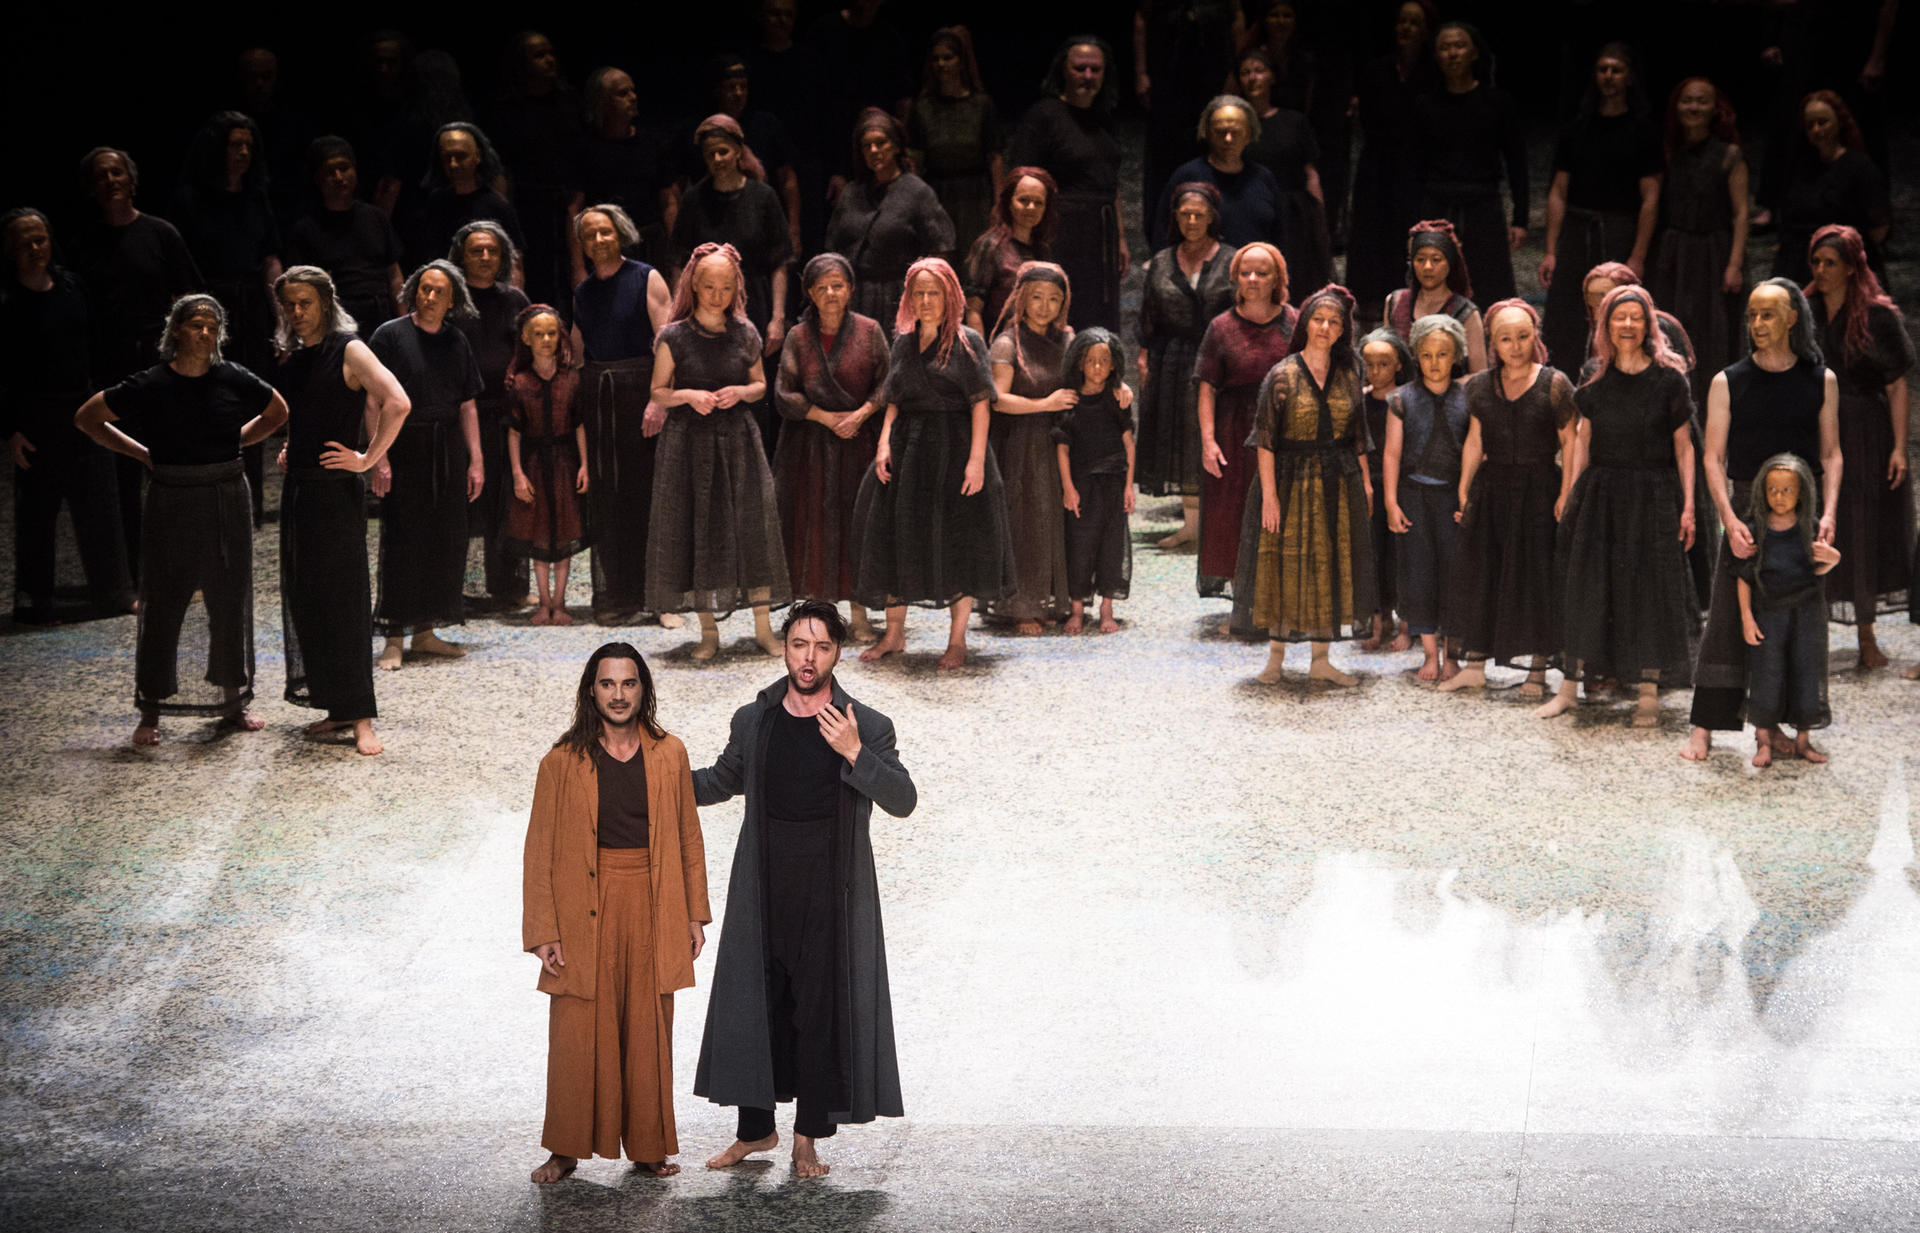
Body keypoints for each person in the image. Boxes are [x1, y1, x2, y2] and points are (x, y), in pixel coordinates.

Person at [695, 600, 916, 1180]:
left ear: (837, 652)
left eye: (821, 646)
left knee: (819, 1012)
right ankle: (756, 1130)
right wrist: (652, 771)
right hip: (766, 884)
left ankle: (806, 1141)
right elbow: (722, 781)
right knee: (759, 1001)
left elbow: (903, 799)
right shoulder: (757, 718)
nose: (808, 657)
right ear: (785, 648)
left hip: (830, 890)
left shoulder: (865, 723)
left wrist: (854, 752)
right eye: (799, 645)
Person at [524, 643, 711, 1184]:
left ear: (643, 690)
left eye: (629, 683)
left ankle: (649, 1146)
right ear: (591, 691)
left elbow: (687, 837)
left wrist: (694, 914)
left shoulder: (669, 752)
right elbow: (538, 850)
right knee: (577, 1027)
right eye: (608, 684)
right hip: (584, 905)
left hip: (653, 901)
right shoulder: (561, 761)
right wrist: (543, 931)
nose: (619, 694)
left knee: (650, 1023)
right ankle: (565, 1149)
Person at [74, 295, 286, 746]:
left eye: (212, 327)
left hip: (226, 494)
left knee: (227, 598)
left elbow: (278, 413)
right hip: (171, 497)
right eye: (195, 326)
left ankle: (232, 701)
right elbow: (88, 418)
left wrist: (237, 441)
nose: (205, 334)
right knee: (165, 602)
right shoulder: (151, 383)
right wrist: (142, 454)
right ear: (176, 331)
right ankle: (151, 709)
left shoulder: (231, 377)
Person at [1684, 280, 1841, 760]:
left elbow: (1831, 454)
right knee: (1730, 617)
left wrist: (1828, 515)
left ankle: (1775, 728)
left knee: (1794, 620)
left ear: (1793, 318)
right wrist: (1729, 520)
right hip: (1748, 507)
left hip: (1802, 510)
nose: (1757, 324)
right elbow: (1713, 458)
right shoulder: (1728, 380)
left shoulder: (1821, 379)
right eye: (1751, 315)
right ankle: (1703, 727)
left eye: (1767, 314)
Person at [1545, 285, 1698, 727]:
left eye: (1635, 317)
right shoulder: (1594, 374)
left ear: (1648, 324)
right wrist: (1570, 492)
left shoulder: (1669, 378)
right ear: (1606, 325)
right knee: (1587, 588)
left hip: (1651, 493)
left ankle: (1648, 694)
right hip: (1601, 493)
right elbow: (1583, 438)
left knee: (1648, 591)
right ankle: (1569, 690)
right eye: (1618, 317)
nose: (1627, 325)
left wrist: (1687, 506)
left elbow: (1684, 447)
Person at [273, 266, 410, 757]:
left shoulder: (349, 348)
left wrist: (368, 458)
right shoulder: (293, 357)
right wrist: (291, 446)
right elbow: (306, 411)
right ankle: (336, 708)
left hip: (335, 493)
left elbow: (397, 401)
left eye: (305, 302)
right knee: (308, 599)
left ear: (325, 303)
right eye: (289, 304)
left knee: (345, 601)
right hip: (301, 491)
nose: (296, 312)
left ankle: (363, 718)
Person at [851, 257, 1012, 669]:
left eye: (933, 293)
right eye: (918, 293)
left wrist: (976, 462)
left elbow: (981, 405)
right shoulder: (903, 342)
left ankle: (957, 640)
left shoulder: (968, 341)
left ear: (949, 296)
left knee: (959, 540)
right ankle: (894, 634)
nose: (925, 301)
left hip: (955, 448)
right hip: (908, 450)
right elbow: (894, 401)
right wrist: (884, 444)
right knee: (894, 537)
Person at [647, 242, 792, 660]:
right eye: (709, 286)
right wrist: (689, 394)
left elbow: (760, 384)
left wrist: (741, 392)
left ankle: (764, 630)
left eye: (725, 287)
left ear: (736, 288)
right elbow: (658, 390)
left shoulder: (745, 331)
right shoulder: (673, 335)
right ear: (694, 285)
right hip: (689, 443)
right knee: (699, 531)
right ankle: (709, 632)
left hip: (738, 440)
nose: (716, 295)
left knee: (754, 529)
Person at [1229, 284, 1376, 685]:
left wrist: (1365, 483)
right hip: (1291, 482)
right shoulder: (1282, 375)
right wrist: (1270, 499)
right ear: (1305, 324)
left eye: (1334, 322)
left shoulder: (1351, 371)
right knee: (1282, 562)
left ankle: (1321, 660)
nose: (1326, 327)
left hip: (1337, 480)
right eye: (1318, 319)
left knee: (1329, 562)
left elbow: (1358, 434)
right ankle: (1275, 659)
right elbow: (1266, 442)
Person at [71, 147, 204, 582]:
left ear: (132, 180)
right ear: (92, 188)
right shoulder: (84, 243)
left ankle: (184, 568)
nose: (111, 180)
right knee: (121, 475)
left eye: (118, 173)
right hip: (109, 367)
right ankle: (131, 575)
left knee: (172, 466)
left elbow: (189, 301)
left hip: (159, 365)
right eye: (102, 175)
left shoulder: (160, 234)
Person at [1442, 300, 1579, 697]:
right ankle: (1474, 665)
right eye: (1506, 339)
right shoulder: (1482, 385)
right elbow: (1474, 439)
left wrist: (1567, 492)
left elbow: (1571, 440)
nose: (1516, 346)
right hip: (1493, 487)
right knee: (1483, 573)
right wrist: (1464, 487)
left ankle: (1536, 672)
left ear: (1535, 336)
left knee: (1535, 578)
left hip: (1539, 490)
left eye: (1523, 336)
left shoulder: (1554, 383)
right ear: (1493, 344)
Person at [2, 208, 133, 624]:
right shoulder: (5, 300)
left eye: (39, 239)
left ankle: (114, 594)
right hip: (35, 416)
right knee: (38, 512)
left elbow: (96, 344)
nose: (34, 248)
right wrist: (10, 431)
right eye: (24, 242)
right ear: (9, 249)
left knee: (100, 505)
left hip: (80, 408)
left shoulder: (73, 286)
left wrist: (103, 401)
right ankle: (36, 602)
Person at [368, 260, 486, 671]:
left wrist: (477, 460)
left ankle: (425, 632)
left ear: (452, 299)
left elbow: (468, 403)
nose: (431, 297)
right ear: (414, 292)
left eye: (440, 291)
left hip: (448, 447)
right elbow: (372, 400)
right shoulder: (390, 336)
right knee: (403, 540)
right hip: (404, 446)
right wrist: (377, 456)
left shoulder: (456, 340)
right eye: (425, 289)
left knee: (445, 538)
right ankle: (395, 636)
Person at [1805, 224, 1912, 665]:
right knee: (1814, 524)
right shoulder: (1804, 310)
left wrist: (1900, 446)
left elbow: (1897, 385)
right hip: (1813, 427)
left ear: (1851, 267)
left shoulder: (1876, 315)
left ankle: (1866, 634)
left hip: (1864, 428)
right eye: (1816, 262)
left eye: (1831, 263)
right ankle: (1810, 638)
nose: (1822, 270)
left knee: (1861, 525)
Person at [772, 253, 890, 641]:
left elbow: (888, 384)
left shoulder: (870, 331)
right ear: (809, 292)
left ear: (851, 288)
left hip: (859, 443)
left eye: (837, 285)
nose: (830, 293)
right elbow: (784, 394)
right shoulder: (798, 337)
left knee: (856, 526)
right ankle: (818, 620)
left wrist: (859, 416)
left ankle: (859, 617)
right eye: (821, 287)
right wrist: (826, 418)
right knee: (814, 529)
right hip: (810, 448)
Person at [572, 205, 672, 625]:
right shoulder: (583, 291)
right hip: (600, 401)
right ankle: (618, 596)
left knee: (648, 497)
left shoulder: (645, 276)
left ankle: (660, 600)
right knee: (608, 500)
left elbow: (669, 341)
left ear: (621, 234)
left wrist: (659, 400)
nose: (598, 240)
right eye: (590, 234)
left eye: (605, 232)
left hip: (641, 394)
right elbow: (579, 354)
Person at [1539, 44, 1664, 373]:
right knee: (1567, 314)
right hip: (1577, 231)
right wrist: (1551, 250)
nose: (1608, 77)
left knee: (1617, 313)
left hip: (1619, 230)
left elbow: (1651, 198)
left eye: (1616, 70)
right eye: (1603, 70)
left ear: (1630, 78)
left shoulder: (1643, 130)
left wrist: (1637, 255)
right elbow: (1558, 191)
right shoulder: (1576, 127)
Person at [1135, 183, 1236, 549]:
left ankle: (1220, 523)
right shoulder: (1161, 261)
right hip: (1172, 359)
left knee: (1214, 436)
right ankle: (1191, 525)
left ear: (1212, 216)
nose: (1192, 221)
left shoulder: (1230, 259)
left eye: (1199, 214)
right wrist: (1144, 356)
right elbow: (1148, 315)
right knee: (1180, 438)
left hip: (1218, 356)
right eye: (1185, 214)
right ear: (1175, 217)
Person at [1005, 36, 1127, 332]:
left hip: (1102, 233)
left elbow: (1111, 184)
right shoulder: (1044, 115)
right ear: (1064, 70)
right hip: (1062, 232)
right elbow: (1021, 178)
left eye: (1095, 70)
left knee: (1102, 313)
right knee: (1066, 311)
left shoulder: (1104, 117)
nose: (1088, 76)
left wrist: (1120, 238)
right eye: (1080, 68)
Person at [1195, 242, 1295, 598]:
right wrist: (1208, 440)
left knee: (1284, 509)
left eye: (1262, 273)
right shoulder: (1221, 327)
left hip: (1285, 432)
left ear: (1276, 279)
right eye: (1246, 272)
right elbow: (1206, 387)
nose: (1253, 279)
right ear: (1235, 277)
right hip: (1234, 431)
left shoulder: (1295, 323)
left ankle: (1279, 595)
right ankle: (1244, 600)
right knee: (1232, 513)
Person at [1647, 78, 1747, 412]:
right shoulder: (1667, 152)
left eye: (1702, 101)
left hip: (1712, 254)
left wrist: (1733, 264)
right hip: (1674, 255)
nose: (1694, 108)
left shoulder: (1729, 154)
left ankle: (1712, 409)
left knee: (1713, 331)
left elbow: (1741, 213)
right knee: (1673, 327)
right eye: (1687, 101)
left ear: (1714, 108)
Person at [985, 262, 1075, 634]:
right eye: (1036, 297)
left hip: (1059, 442)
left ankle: (1049, 598)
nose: (1044, 306)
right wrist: (1044, 405)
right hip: (1019, 443)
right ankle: (1020, 605)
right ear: (1021, 299)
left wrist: (1121, 387)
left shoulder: (1068, 339)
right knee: (1025, 523)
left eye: (1053, 299)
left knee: (1055, 521)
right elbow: (997, 399)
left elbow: (1096, 371)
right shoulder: (1008, 342)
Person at [1735, 454, 1840, 767]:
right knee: (1767, 675)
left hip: (1807, 613)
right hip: (1769, 612)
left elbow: (1817, 569)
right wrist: (1746, 617)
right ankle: (1764, 741)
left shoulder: (1811, 528)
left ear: (1802, 493)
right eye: (1773, 490)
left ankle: (1804, 740)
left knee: (1807, 673)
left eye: (1787, 491)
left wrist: (1832, 559)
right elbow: (1744, 577)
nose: (1779, 497)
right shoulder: (1757, 529)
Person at [449, 220, 532, 613]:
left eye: (492, 251)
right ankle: (463, 590)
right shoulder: (449, 299)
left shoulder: (515, 300)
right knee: (467, 503)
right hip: (462, 416)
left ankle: (509, 588)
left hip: (505, 415)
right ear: (461, 257)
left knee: (506, 502)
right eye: (475, 250)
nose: (484, 257)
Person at [1382, 314, 1470, 682]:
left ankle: (1453, 655)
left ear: (1456, 357)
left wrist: (1469, 499)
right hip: (1414, 497)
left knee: (1454, 574)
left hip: (1452, 500)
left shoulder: (1469, 397)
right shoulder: (1401, 399)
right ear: (1416, 355)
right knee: (1419, 574)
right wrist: (1391, 502)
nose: (1435, 363)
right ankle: (1430, 653)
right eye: (1428, 355)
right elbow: (1391, 453)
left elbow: (1475, 450)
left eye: (1443, 354)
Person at [1413, 23, 1525, 307]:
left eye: (1459, 46)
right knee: (1434, 284)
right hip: (1437, 205)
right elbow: (1414, 166)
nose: (1453, 53)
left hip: (1483, 206)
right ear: (1436, 56)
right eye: (1445, 47)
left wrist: (1521, 218)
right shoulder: (1425, 105)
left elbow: (1516, 161)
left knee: (1490, 286)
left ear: (1474, 52)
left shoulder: (1497, 102)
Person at [670, 114, 792, 366]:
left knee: (754, 383)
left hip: (755, 303)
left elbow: (779, 262)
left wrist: (777, 318)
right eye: (709, 154)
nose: (717, 159)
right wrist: (677, 315)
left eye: (723, 151)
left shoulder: (763, 197)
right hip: (706, 308)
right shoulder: (694, 200)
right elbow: (679, 262)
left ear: (738, 151)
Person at [1348, 1, 1439, 321]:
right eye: (1402, 21)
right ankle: (1371, 307)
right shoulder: (1377, 70)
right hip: (1378, 165)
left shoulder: (1434, 72)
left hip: (1416, 167)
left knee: (1408, 233)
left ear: (1426, 29)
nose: (1406, 28)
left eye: (1414, 22)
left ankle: (1407, 307)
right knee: (1372, 235)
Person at [825, 108, 957, 330]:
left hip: (898, 296)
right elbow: (833, 246)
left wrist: (927, 298)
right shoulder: (852, 192)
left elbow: (940, 247)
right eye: (867, 146)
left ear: (895, 146)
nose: (874, 150)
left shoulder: (917, 192)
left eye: (881, 143)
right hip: (855, 295)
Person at [505, 305, 590, 627]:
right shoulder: (521, 382)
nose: (545, 339)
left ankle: (560, 601)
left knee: (564, 533)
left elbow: (579, 424)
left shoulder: (571, 379)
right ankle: (543, 602)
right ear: (526, 338)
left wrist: (585, 466)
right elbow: (514, 431)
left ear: (560, 337)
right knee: (539, 535)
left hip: (566, 463)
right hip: (534, 464)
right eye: (538, 334)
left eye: (551, 333)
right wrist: (517, 473)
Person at [487, 31, 584, 308]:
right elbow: (501, 167)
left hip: (568, 203)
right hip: (527, 205)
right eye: (539, 55)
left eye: (550, 53)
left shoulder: (568, 101)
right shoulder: (506, 109)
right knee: (535, 275)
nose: (549, 60)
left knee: (572, 275)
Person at [1053, 327, 1135, 635]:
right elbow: (1062, 446)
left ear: (1114, 364)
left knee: (1111, 544)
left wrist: (1129, 485)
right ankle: (1077, 609)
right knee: (1080, 544)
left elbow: (1129, 444)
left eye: (1104, 360)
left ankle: (1106, 607)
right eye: (1091, 360)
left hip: (1113, 483)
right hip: (1082, 484)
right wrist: (1068, 487)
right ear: (1079, 364)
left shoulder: (1117, 399)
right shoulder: (1071, 401)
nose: (1098, 367)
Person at [1232, 47, 1331, 298]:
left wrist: (1319, 218)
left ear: (1272, 76)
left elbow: (1311, 173)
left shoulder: (1294, 121)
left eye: (1259, 70)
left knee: (1295, 283)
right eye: (1245, 72)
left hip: (1292, 215)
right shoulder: (1232, 126)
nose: (1253, 77)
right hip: (1250, 212)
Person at [283, 137, 406, 338]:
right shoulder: (306, 229)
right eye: (330, 172)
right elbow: (299, 286)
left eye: (344, 168)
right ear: (317, 178)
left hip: (380, 316)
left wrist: (404, 321)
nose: (339, 177)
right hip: (336, 319)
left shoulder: (375, 217)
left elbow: (394, 275)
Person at [1134, 0, 1241, 216]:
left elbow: (1237, 18)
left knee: (1211, 145)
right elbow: (1141, 18)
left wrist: (1234, 73)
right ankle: (1163, 222)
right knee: (1164, 151)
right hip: (1168, 75)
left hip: (1212, 74)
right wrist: (1141, 73)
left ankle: (1213, 219)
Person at [1774, 91, 1890, 287]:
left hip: (1842, 266)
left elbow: (1879, 227)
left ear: (1839, 122)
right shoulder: (1800, 167)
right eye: (1810, 125)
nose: (1816, 130)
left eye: (1823, 122)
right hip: (1799, 265)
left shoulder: (1859, 167)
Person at [907, 27, 1003, 257]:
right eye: (936, 59)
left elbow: (995, 158)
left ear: (961, 62)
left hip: (975, 194)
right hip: (936, 191)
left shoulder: (981, 105)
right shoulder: (922, 107)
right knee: (940, 256)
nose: (941, 64)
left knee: (975, 260)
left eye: (948, 57)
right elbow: (915, 163)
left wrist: (1000, 203)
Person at [1152, 95, 1285, 253]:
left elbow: (1280, 237)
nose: (1228, 139)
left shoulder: (1263, 178)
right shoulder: (1187, 176)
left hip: (1253, 274)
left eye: (1235, 132)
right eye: (1220, 132)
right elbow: (1162, 235)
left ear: (1248, 135)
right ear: (1207, 133)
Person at [576, 66, 677, 274]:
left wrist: (675, 259)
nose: (633, 97)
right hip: (605, 246)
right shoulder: (586, 149)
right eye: (623, 93)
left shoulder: (653, 143)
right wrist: (577, 267)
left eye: (633, 91)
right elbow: (574, 209)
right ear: (602, 102)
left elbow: (669, 201)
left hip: (651, 244)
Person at [1356, 328, 1415, 649]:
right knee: (1372, 555)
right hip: (1368, 486)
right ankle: (1377, 621)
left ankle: (1407, 624)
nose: (1375, 371)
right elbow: (1357, 444)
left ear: (1398, 366)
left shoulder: (1407, 399)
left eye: (1383, 364)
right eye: (1369, 364)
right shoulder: (1360, 402)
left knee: (1401, 555)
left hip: (1402, 486)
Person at [962, 168, 1056, 336]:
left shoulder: (1042, 250)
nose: (1031, 207)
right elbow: (972, 309)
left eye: (1038, 202)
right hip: (997, 345)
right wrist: (981, 357)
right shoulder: (990, 246)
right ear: (1009, 202)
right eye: (1023, 200)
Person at [1384, 220, 1487, 373]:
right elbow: (1385, 358)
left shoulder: (1466, 312)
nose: (1427, 267)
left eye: (1436, 259)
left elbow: (1478, 376)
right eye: (1420, 259)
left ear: (1449, 263)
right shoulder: (1395, 302)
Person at [419, 122, 524, 271]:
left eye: (461, 156)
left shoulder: (497, 206)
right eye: (447, 157)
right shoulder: (437, 202)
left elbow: (515, 262)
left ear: (478, 156)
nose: (453, 164)